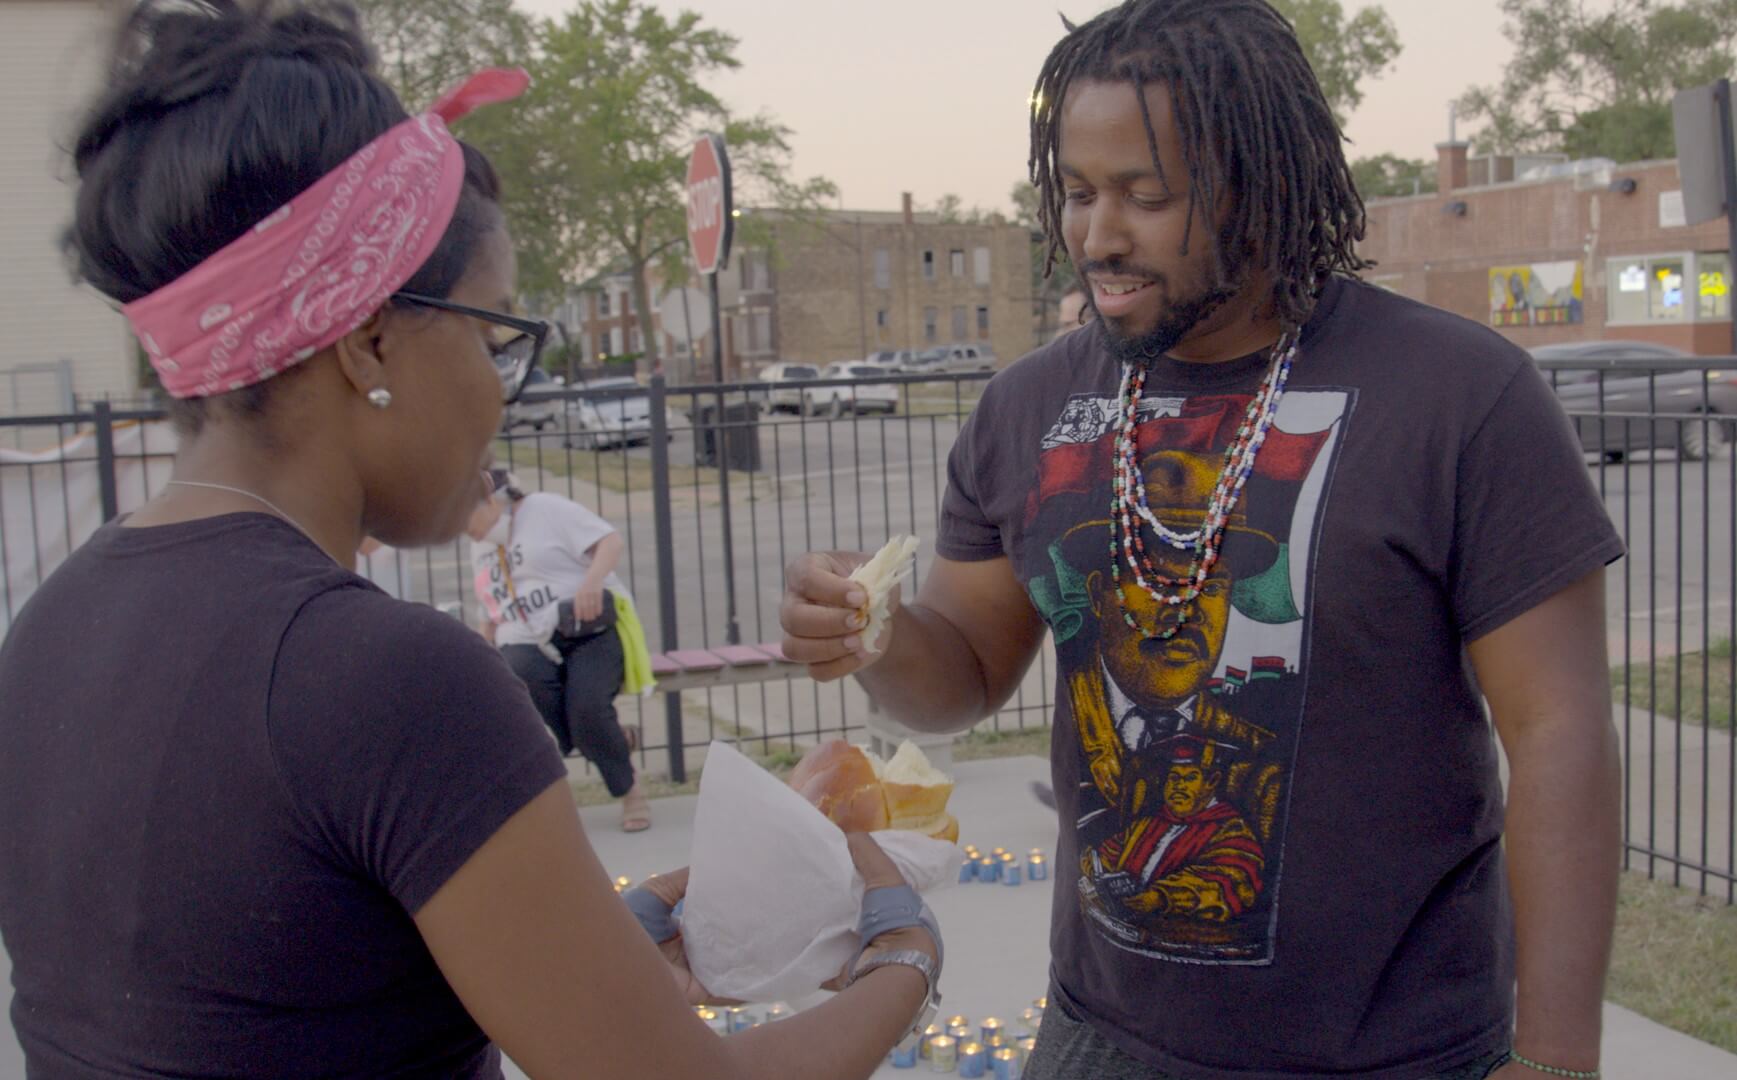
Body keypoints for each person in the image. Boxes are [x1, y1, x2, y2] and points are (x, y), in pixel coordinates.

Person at [0, 3, 940, 1078]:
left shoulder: (52, 626)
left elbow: (257, 999)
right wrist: (902, 947)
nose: (499, 394)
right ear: (369, 339)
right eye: (496, 333)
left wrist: (597, 943)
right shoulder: (386, 676)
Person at [781, 2, 1622, 1078]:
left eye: (1145, 195)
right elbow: (964, 677)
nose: (1095, 235)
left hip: (1401, 1050)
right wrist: (878, 634)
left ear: (1256, 184)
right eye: (1078, 194)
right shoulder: (1027, 407)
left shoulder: (1461, 395)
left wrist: (1556, 1057)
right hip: (1104, 1037)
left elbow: (1558, 730)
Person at [467, 471, 652, 832]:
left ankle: (630, 790)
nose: (461, 529)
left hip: (587, 627)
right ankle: (612, 740)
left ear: (489, 500)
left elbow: (609, 541)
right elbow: (489, 605)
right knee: (523, 684)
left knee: (586, 710)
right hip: (524, 639)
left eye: (462, 516)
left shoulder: (545, 509)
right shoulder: (482, 544)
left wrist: (592, 582)